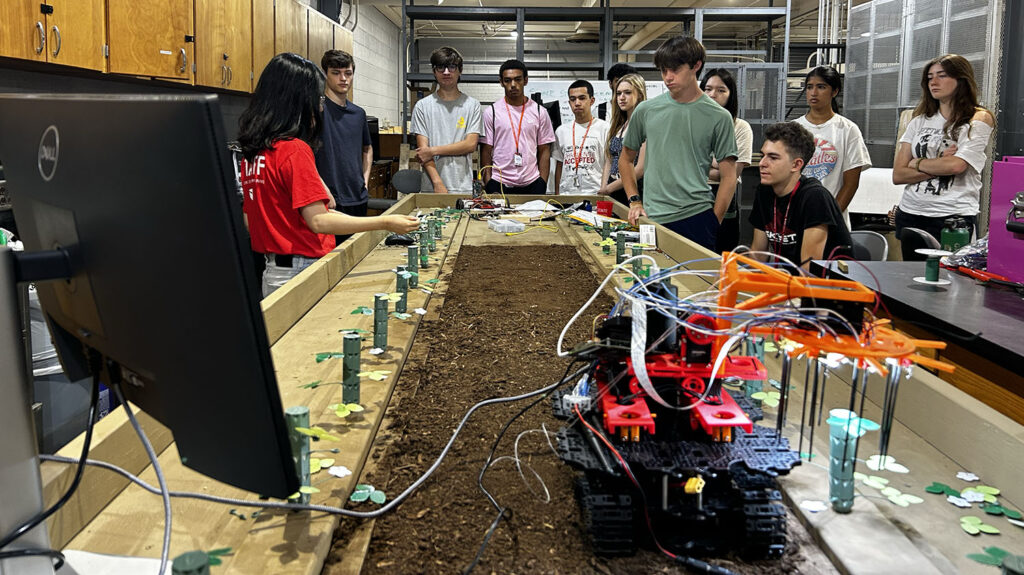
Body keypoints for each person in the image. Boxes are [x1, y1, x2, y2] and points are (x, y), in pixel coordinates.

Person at [238, 53, 418, 297]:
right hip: (301, 267)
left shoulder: (255, 152)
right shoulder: (293, 150)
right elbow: (319, 221)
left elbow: (251, 220)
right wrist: (386, 222)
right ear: (299, 100)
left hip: (274, 268)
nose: (320, 103)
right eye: (316, 96)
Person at [620, 36, 737, 251]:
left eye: (675, 69)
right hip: (652, 216)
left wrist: (714, 221)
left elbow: (729, 175)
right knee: (652, 282)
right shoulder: (646, 110)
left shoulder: (719, 116)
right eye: (664, 70)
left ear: (696, 66)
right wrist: (634, 200)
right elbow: (626, 158)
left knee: (695, 284)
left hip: (696, 215)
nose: (668, 77)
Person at [891, 54, 994, 242]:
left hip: (952, 215)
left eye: (942, 75)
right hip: (911, 211)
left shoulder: (977, 119)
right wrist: (939, 164)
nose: (934, 82)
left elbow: (956, 166)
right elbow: (898, 174)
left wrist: (917, 162)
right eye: (930, 77)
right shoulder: (919, 121)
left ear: (961, 79)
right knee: (910, 271)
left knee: (950, 271)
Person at [749, 122, 851, 272]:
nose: (762, 163)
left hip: (827, 288)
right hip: (787, 282)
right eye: (763, 155)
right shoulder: (764, 192)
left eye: (773, 157)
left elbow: (809, 270)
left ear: (796, 165)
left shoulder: (815, 197)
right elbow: (757, 256)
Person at [793, 66, 871, 228]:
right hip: (797, 217)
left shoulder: (848, 129)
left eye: (821, 87)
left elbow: (850, 184)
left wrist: (829, 219)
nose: (814, 93)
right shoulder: (794, 129)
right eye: (809, 87)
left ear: (834, 91)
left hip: (833, 221)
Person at [315, 49, 373, 245]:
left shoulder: (358, 114)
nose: (343, 78)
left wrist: (364, 181)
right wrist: (322, 189)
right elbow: (304, 155)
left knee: (356, 258)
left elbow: (367, 148)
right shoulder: (315, 111)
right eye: (336, 72)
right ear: (325, 74)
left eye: (348, 73)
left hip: (357, 198)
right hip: (329, 201)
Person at [410, 47, 482, 194]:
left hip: (462, 187)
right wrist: (438, 183)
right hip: (432, 187)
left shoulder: (472, 105)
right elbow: (423, 152)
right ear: (434, 71)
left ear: (460, 70)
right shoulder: (422, 106)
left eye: (452, 67)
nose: (446, 72)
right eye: (441, 67)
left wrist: (433, 150)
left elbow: (470, 145)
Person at [480, 59, 556, 195]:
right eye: (507, 80)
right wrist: (488, 182)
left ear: (525, 80)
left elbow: (544, 149)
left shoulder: (539, 111)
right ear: (501, 82)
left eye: (518, 79)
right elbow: (486, 151)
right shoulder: (491, 112)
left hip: (532, 183)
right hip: (499, 183)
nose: (513, 85)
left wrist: (542, 182)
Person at [700, 68, 752, 253]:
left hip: (724, 197)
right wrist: (718, 163)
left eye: (721, 90)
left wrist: (702, 163)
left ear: (731, 95)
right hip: (692, 196)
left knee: (719, 258)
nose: (713, 95)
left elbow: (732, 174)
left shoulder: (740, 127)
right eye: (708, 89)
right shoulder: (692, 124)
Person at [552, 80, 610, 195]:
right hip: (567, 195)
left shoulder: (605, 128)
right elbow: (559, 165)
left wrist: (604, 190)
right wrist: (558, 194)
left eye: (582, 98)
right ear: (569, 103)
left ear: (591, 101)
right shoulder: (561, 131)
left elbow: (609, 163)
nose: (577, 103)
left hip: (594, 193)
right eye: (573, 99)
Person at [599, 73, 647, 206]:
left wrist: (608, 189)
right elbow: (609, 159)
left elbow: (639, 169)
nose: (622, 97)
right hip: (612, 189)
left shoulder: (644, 125)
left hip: (633, 190)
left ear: (640, 95)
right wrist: (604, 186)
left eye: (627, 93)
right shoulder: (619, 125)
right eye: (618, 93)